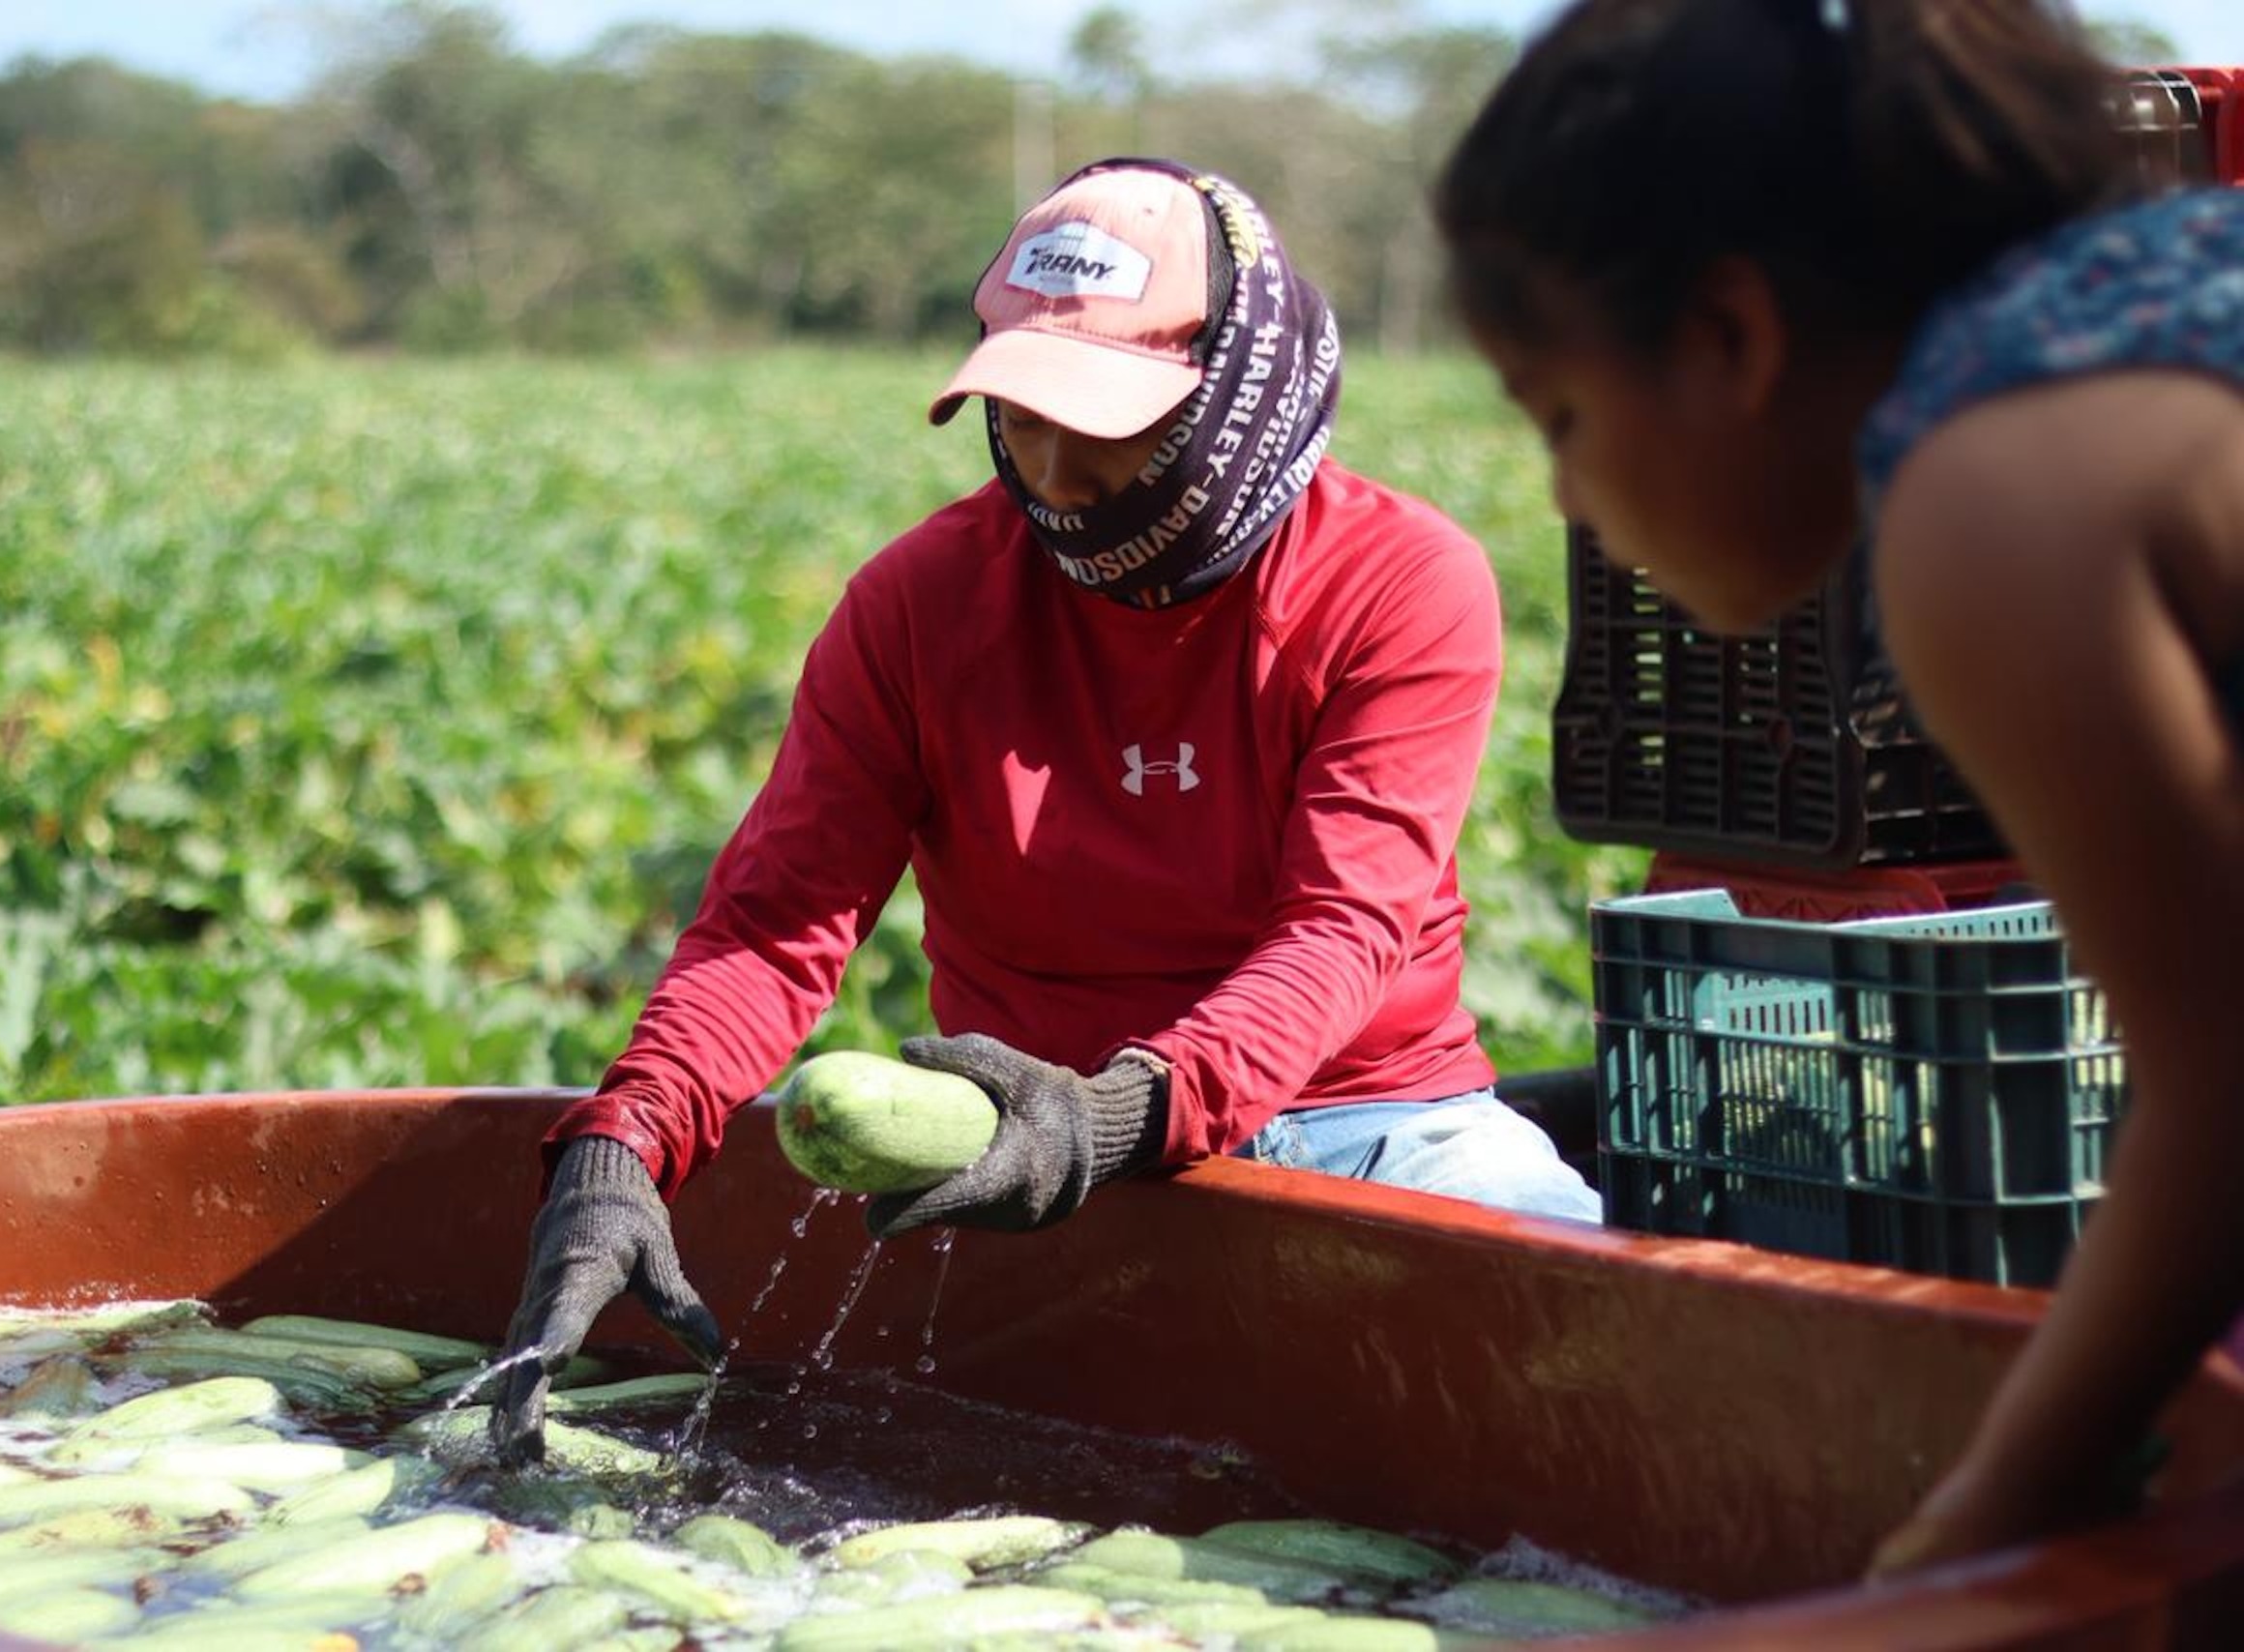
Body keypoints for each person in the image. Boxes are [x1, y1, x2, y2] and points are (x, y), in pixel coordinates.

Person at [487, 156, 1602, 1464]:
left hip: (1376, 1123)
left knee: (1607, 1362)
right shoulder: (919, 604)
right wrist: (625, 1143)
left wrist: (1120, 1112)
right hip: (1019, 1158)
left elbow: (1344, 930)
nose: (1059, 478)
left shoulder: (1399, 581)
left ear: (1237, 399)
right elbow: (776, 922)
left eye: (1110, 426)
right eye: (1020, 421)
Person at [1432, 0, 2244, 1578]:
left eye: (1563, 416)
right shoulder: (2148, 304)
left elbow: (2223, 1089)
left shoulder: (1995, 491)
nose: (1562, 494)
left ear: (1731, 335)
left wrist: (1975, 1522)